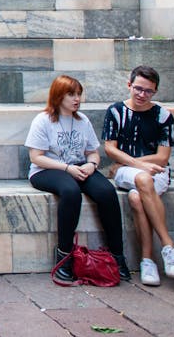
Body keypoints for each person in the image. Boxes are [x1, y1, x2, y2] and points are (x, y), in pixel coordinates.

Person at [25, 75, 130, 283]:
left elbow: (93, 152)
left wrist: (91, 165)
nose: (77, 99)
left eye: (79, 94)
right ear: (58, 96)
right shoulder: (43, 120)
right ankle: (64, 256)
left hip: (80, 168)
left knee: (106, 192)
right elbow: (36, 157)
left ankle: (117, 256)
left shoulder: (82, 121)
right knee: (71, 192)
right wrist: (67, 168)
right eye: (71, 94)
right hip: (46, 170)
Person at [102, 65, 174, 287]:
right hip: (128, 172)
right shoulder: (116, 111)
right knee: (142, 178)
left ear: (155, 92)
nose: (142, 94)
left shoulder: (163, 115)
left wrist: (127, 162)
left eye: (148, 91)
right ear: (129, 85)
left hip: (153, 171)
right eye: (138, 88)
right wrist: (136, 165)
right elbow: (110, 148)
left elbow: (163, 157)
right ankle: (168, 246)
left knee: (136, 198)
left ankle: (147, 260)